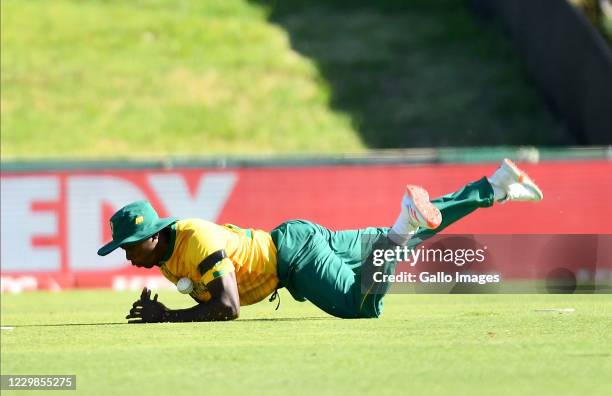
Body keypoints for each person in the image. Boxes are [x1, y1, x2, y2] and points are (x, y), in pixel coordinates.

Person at [97, 159, 543, 323]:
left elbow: (228, 307)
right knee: (401, 244)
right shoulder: (166, 254)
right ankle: (495, 186)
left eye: (132, 245)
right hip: (297, 240)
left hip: (294, 259)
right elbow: (209, 294)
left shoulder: (193, 239)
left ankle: (402, 226)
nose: (129, 255)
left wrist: (167, 318)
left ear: (153, 236)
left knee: (362, 305)